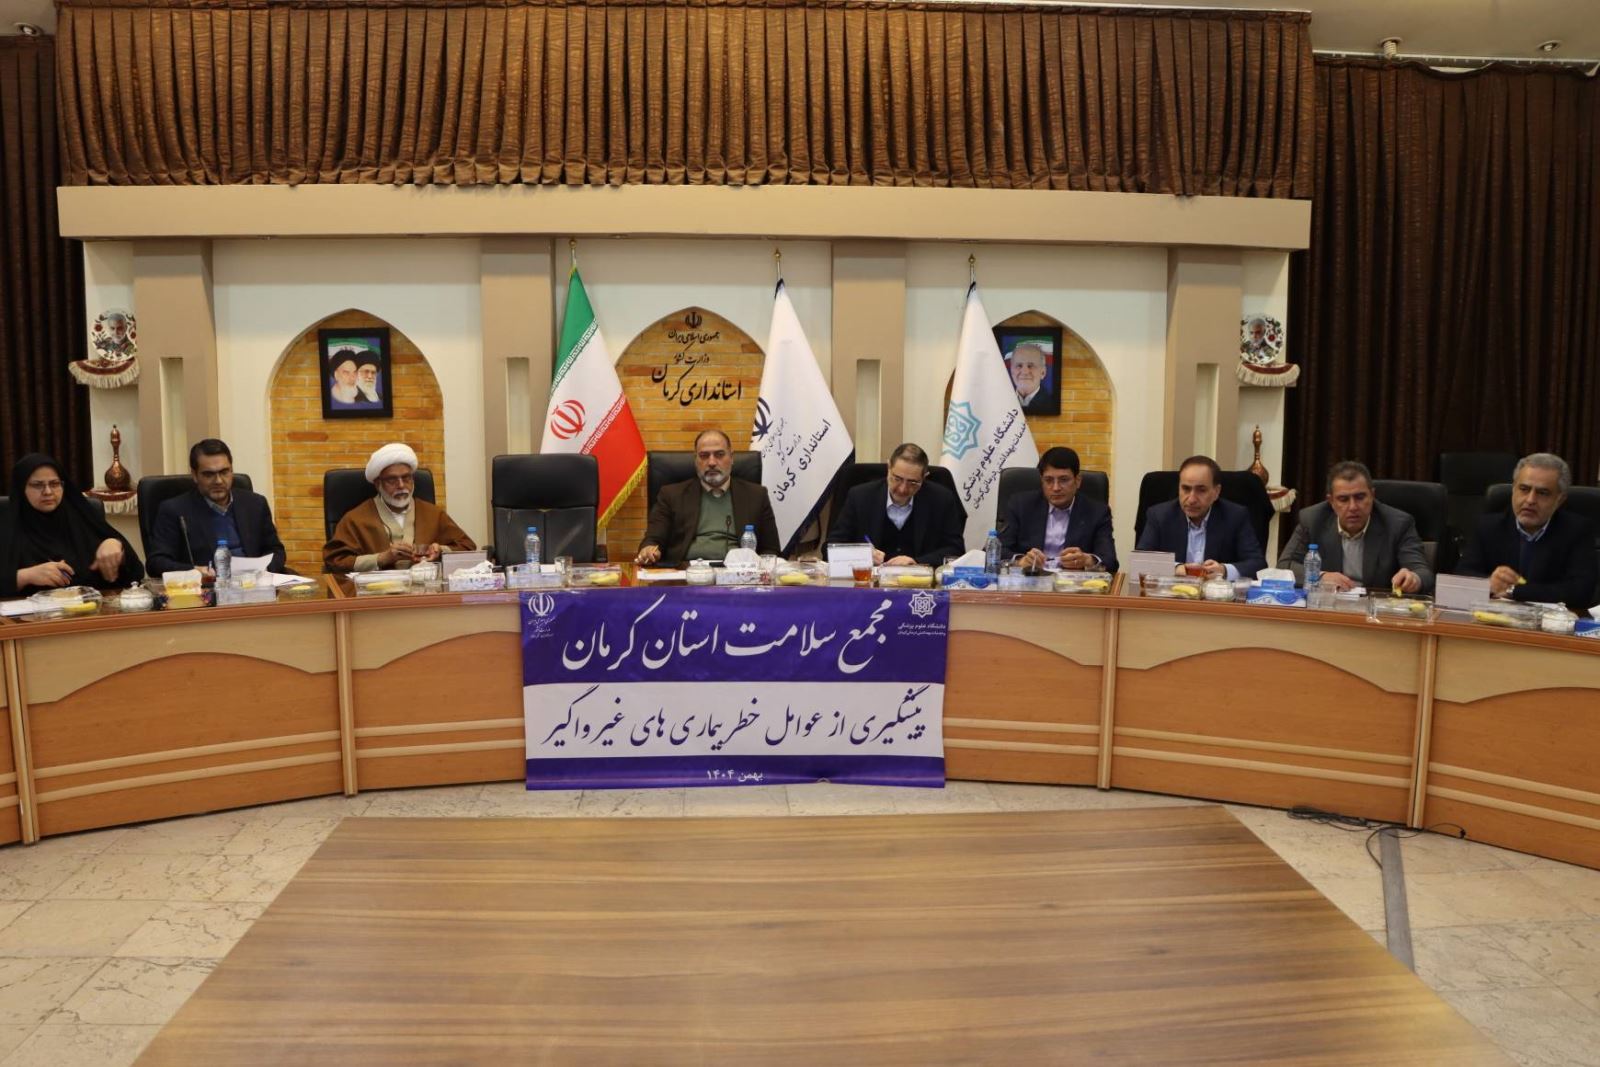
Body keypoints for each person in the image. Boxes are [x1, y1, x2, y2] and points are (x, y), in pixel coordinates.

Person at [1459, 452, 1597, 609]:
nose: (1530, 500)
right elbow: (1461, 575)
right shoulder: (1488, 527)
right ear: (1513, 489)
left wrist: (1514, 591)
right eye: (1524, 489)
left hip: (1549, 620)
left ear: (1560, 499)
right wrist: (1488, 583)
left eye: (1543, 493)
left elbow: (1580, 591)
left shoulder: (1577, 531)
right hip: (1494, 617)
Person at [1278, 460, 1432, 593]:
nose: (1353, 507)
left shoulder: (1398, 524)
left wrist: (1413, 578)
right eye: (1343, 499)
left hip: (1376, 609)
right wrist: (1321, 576)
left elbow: (1423, 573)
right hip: (1331, 607)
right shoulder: (1313, 520)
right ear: (1331, 502)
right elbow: (1284, 566)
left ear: (1372, 495)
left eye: (1360, 497)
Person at [1, 453, 144, 596]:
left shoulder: (81, 517)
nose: (48, 492)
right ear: (21, 488)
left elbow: (136, 574)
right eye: (37, 485)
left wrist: (116, 546)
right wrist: (25, 576)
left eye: (54, 484)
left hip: (91, 607)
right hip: (28, 610)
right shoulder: (6, 526)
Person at [147, 439, 290, 577]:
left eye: (224, 472)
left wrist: (264, 571)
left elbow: (276, 550)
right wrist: (193, 571)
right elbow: (156, 563)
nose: (218, 481)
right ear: (195, 475)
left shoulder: (255, 504)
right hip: (207, 588)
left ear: (231, 471)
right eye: (209, 474)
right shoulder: (175, 510)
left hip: (253, 585)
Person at [323, 443, 475, 573]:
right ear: (378, 483)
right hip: (376, 594)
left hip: (426, 591)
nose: (401, 485)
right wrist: (381, 558)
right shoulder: (355, 519)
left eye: (406, 478)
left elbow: (468, 548)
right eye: (392, 480)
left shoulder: (433, 514)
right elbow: (335, 561)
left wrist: (441, 551)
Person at [636, 430, 779, 565]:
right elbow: (653, 540)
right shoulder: (671, 495)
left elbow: (771, 550)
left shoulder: (756, 495)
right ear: (695, 460)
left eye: (719, 454)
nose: (711, 462)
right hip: (687, 571)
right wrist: (648, 550)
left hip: (739, 572)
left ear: (731, 458)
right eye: (704, 456)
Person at [827, 443, 965, 567]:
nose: (902, 489)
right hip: (871, 581)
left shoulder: (941, 499)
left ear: (924, 477)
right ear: (889, 468)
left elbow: (956, 550)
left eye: (913, 482)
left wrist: (917, 561)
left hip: (920, 581)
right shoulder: (860, 497)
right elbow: (831, 546)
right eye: (897, 479)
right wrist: (862, 555)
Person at [1136, 455, 1267, 580]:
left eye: (1201, 490)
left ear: (1216, 492)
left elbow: (1257, 564)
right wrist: (1175, 568)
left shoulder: (1235, 516)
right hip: (1173, 592)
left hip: (1215, 593)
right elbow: (1140, 561)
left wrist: (1224, 570)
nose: (1192, 499)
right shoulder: (1159, 515)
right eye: (1186, 489)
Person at [999, 446, 1117, 573]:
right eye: (1048, 480)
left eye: (1064, 480)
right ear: (1042, 481)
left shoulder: (1097, 512)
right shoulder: (1020, 505)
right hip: (1030, 580)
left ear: (1077, 481)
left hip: (1072, 582)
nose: (1055, 488)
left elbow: (1110, 561)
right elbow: (995, 551)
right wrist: (1020, 561)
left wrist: (1088, 560)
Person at [1009, 343, 1053, 415]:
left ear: (1043, 372)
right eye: (1019, 365)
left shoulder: (1051, 403)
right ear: (1011, 371)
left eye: (1030, 366)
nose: (1024, 372)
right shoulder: (1000, 401)